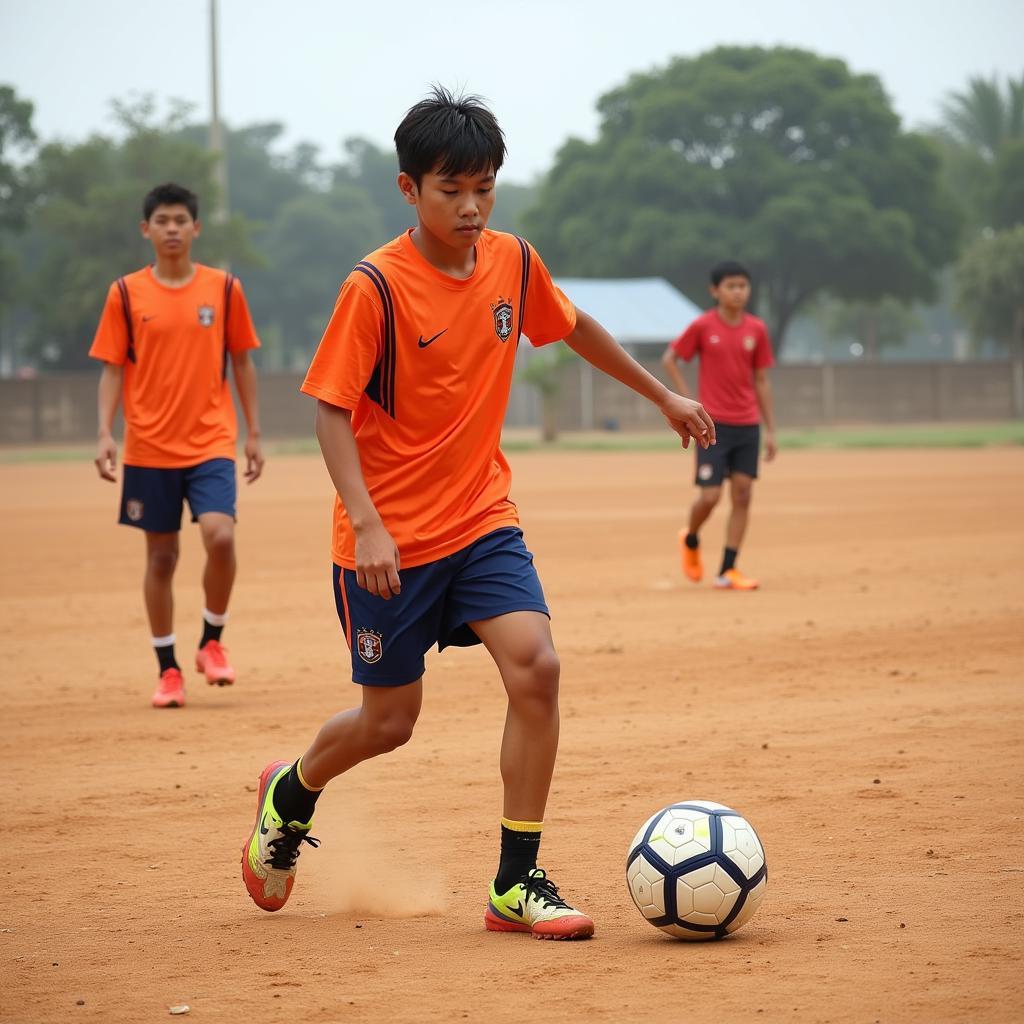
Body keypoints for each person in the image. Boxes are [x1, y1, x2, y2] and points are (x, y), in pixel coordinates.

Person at [241, 88, 715, 939]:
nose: (470, 206)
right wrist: (370, 521)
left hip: (481, 518)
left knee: (537, 667)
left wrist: (663, 395)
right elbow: (329, 409)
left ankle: (515, 881)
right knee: (390, 722)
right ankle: (293, 791)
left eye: (484, 188)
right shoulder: (376, 287)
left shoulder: (512, 262)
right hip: (386, 542)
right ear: (407, 188)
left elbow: (572, 328)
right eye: (450, 188)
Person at [90, 182, 264, 708]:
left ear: (195, 228)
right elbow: (112, 368)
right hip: (148, 448)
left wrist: (253, 432)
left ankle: (211, 640)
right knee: (161, 558)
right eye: (161, 220)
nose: (171, 228)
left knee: (222, 538)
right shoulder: (124, 294)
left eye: (179, 220)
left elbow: (242, 362)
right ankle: (167, 670)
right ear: (146, 229)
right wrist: (104, 431)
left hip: (211, 441)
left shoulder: (224, 289)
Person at [661, 260, 776, 590]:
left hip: (748, 424)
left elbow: (762, 380)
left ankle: (728, 569)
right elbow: (671, 358)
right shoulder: (702, 326)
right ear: (715, 291)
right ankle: (692, 537)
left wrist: (771, 430)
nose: (739, 291)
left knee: (743, 494)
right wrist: (685, 400)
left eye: (743, 286)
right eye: (731, 286)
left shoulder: (757, 329)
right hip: (713, 424)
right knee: (710, 497)